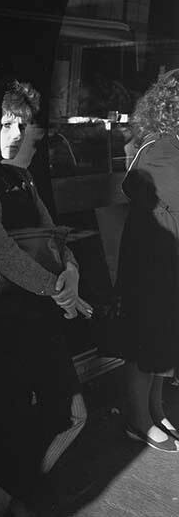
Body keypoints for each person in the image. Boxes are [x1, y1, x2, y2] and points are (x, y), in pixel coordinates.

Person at [0, 80, 90, 516]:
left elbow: (54, 236)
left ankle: (14, 491)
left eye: (21, 124)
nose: (16, 134)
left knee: (72, 413)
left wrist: (72, 273)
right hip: (5, 318)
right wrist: (58, 289)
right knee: (14, 418)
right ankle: (10, 496)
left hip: (41, 314)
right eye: (5, 124)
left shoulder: (20, 177)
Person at [115, 69, 179, 453]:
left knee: (158, 344)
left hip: (163, 263)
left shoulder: (167, 146)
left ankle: (154, 410)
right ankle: (138, 420)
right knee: (145, 347)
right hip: (152, 267)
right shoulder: (160, 152)